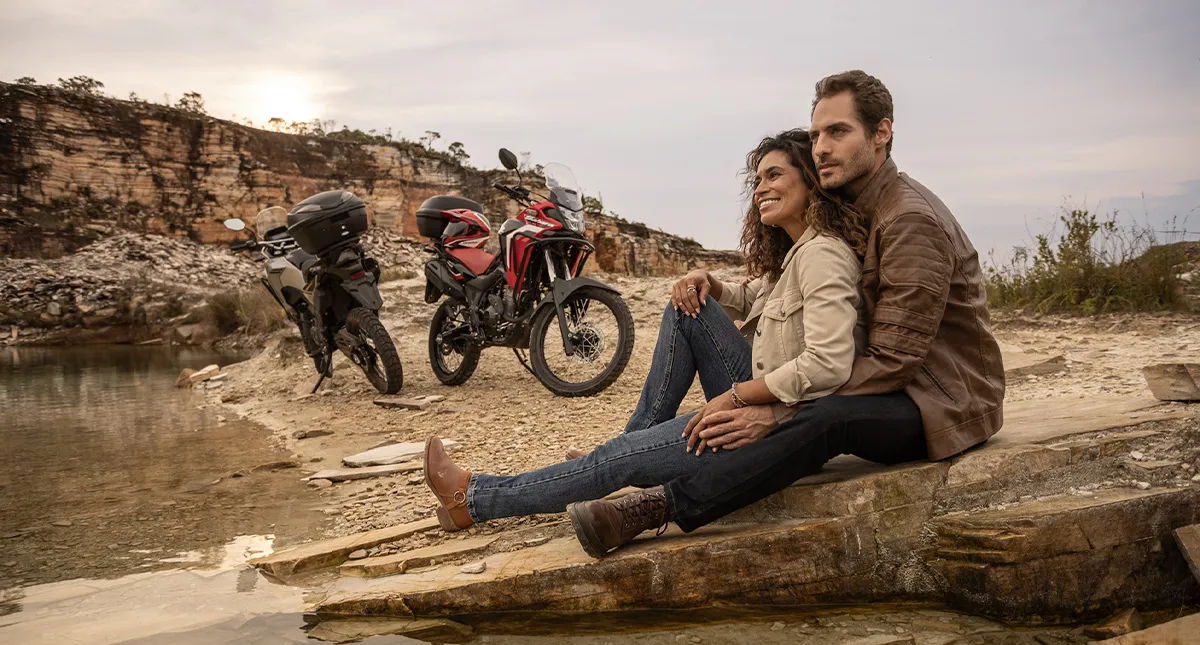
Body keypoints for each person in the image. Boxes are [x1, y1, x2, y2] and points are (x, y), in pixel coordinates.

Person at [557, 69, 1006, 557]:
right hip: (897, 383)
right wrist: (722, 291)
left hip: (938, 401)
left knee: (827, 418)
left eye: (838, 132)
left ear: (882, 132)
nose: (821, 148)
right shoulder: (852, 204)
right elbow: (784, 293)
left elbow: (894, 361)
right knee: (702, 322)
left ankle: (654, 507)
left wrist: (773, 409)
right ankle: (625, 457)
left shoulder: (908, 218)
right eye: (816, 135)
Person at [423, 128, 871, 555]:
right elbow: (757, 297)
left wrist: (738, 396)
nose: (761, 189)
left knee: (619, 458)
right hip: (762, 395)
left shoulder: (823, 255)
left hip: (779, 427)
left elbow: (827, 365)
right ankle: (621, 454)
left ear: (810, 182)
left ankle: (474, 497)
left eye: (775, 175)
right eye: (758, 180)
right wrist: (710, 284)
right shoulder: (798, 252)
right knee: (686, 306)